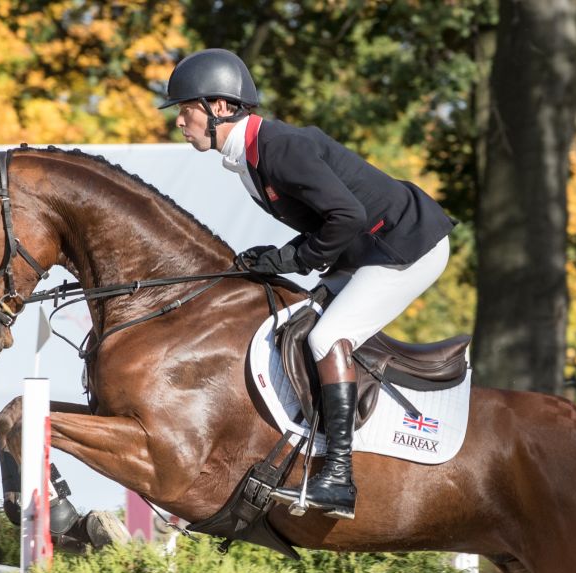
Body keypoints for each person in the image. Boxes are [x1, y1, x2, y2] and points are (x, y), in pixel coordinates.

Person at [163, 48, 454, 521]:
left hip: (408, 245)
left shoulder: (280, 148)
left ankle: (339, 476)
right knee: (298, 316)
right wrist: (280, 257)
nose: (180, 121)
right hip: (368, 248)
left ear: (219, 107)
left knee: (326, 336)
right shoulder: (251, 158)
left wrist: (292, 258)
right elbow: (329, 219)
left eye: (186, 109)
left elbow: (347, 216)